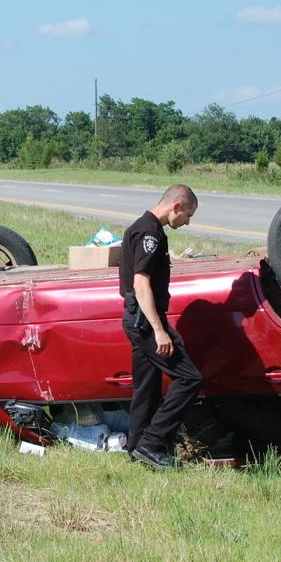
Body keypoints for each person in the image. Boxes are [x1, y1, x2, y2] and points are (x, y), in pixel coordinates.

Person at [119, 184, 203, 469]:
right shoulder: (150, 233)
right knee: (190, 378)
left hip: (135, 317)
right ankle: (152, 443)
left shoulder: (140, 226)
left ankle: (136, 448)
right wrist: (158, 329)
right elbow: (140, 282)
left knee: (147, 387)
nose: (188, 222)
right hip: (144, 321)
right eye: (188, 215)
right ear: (176, 206)